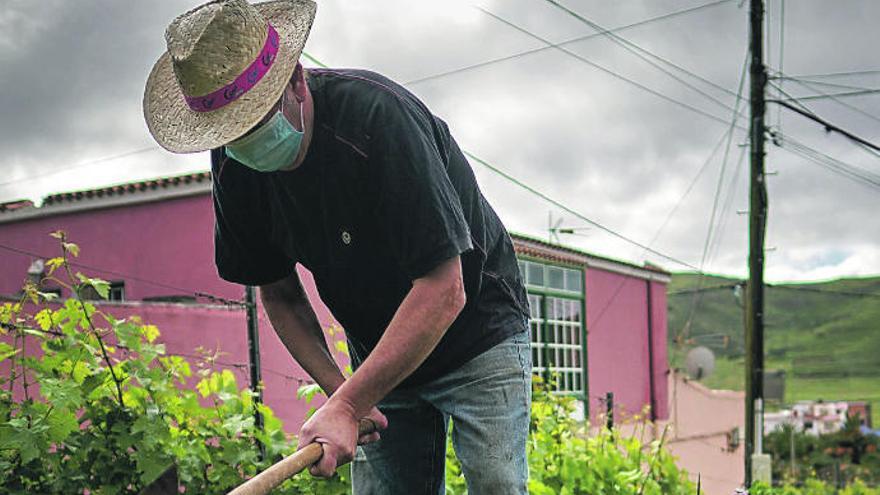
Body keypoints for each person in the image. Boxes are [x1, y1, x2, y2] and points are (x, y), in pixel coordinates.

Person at [143, 1, 531, 493]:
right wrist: (344, 397)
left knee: (497, 483)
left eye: (258, 124)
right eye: (234, 135)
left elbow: (443, 289)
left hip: (477, 329)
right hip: (381, 353)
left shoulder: (377, 119)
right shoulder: (235, 167)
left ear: (297, 83)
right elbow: (280, 295)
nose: (247, 146)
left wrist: (346, 405)